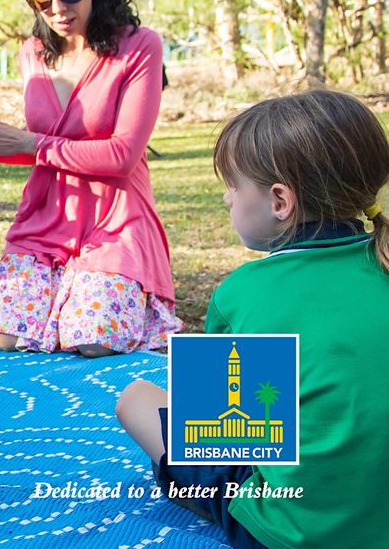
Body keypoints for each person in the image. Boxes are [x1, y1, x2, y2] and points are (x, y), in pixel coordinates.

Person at [115, 89, 389, 549]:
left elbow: (224, 436)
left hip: (289, 529)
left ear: (280, 200)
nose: (226, 199)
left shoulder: (242, 293)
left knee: (137, 398)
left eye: (233, 185)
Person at [0, 0, 181, 356]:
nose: (56, 7)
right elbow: (41, 146)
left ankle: (112, 301)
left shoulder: (139, 47)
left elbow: (123, 155)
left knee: (93, 339)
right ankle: (66, 296)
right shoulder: (32, 52)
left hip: (116, 219)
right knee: (8, 336)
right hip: (45, 220)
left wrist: (31, 143)